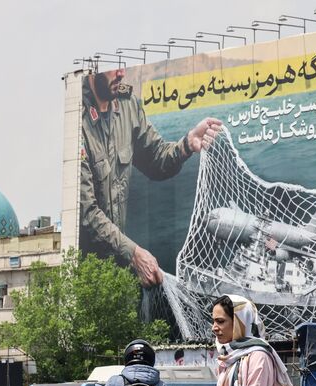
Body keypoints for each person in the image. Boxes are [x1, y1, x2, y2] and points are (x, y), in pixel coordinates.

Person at [79, 67, 223, 287]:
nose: (120, 74)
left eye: (122, 67)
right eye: (112, 69)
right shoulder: (76, 121)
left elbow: (156, 160)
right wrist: (134, 253)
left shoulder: (128, 106)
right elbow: (87, 212)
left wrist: (187, 144)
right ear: (93, 71)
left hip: (120, 270)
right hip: (86, 276)